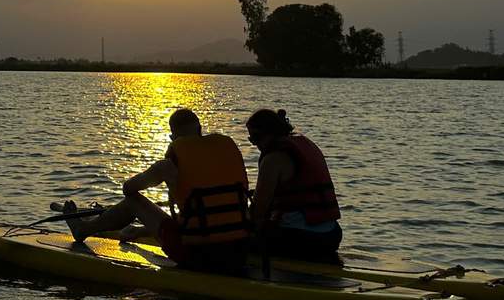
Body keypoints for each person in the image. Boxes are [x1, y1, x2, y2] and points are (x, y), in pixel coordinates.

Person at [63, 107, 251, 273]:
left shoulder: (168, 165)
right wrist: (143, 231)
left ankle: (84, 229)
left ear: (172, 137)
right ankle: (122, 228)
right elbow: (205, 215)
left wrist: (161, 175)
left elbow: (128, 189)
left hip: (197, 255)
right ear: (200, 130)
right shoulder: (225, 150)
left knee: (132, 202)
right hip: (239, 251)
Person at [245, 108, 342, 262]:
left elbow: (258, 209)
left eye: (255, 138)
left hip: (302, 238)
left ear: (268, 134)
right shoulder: (305, 144)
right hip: (332, 233)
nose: (255, 144)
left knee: (238, 243)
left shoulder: (273, 159)